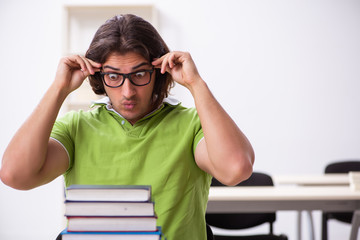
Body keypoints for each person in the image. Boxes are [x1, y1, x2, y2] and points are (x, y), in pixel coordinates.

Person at [0, 14, 254, 240]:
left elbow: (236, 169)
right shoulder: (76, 127)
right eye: (113, 76)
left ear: (159, 71)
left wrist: (196, 83)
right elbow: (14, 175)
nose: (127, 91)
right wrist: (59, 89)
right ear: (98, 76)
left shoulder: (192, 125)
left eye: (140, 74)